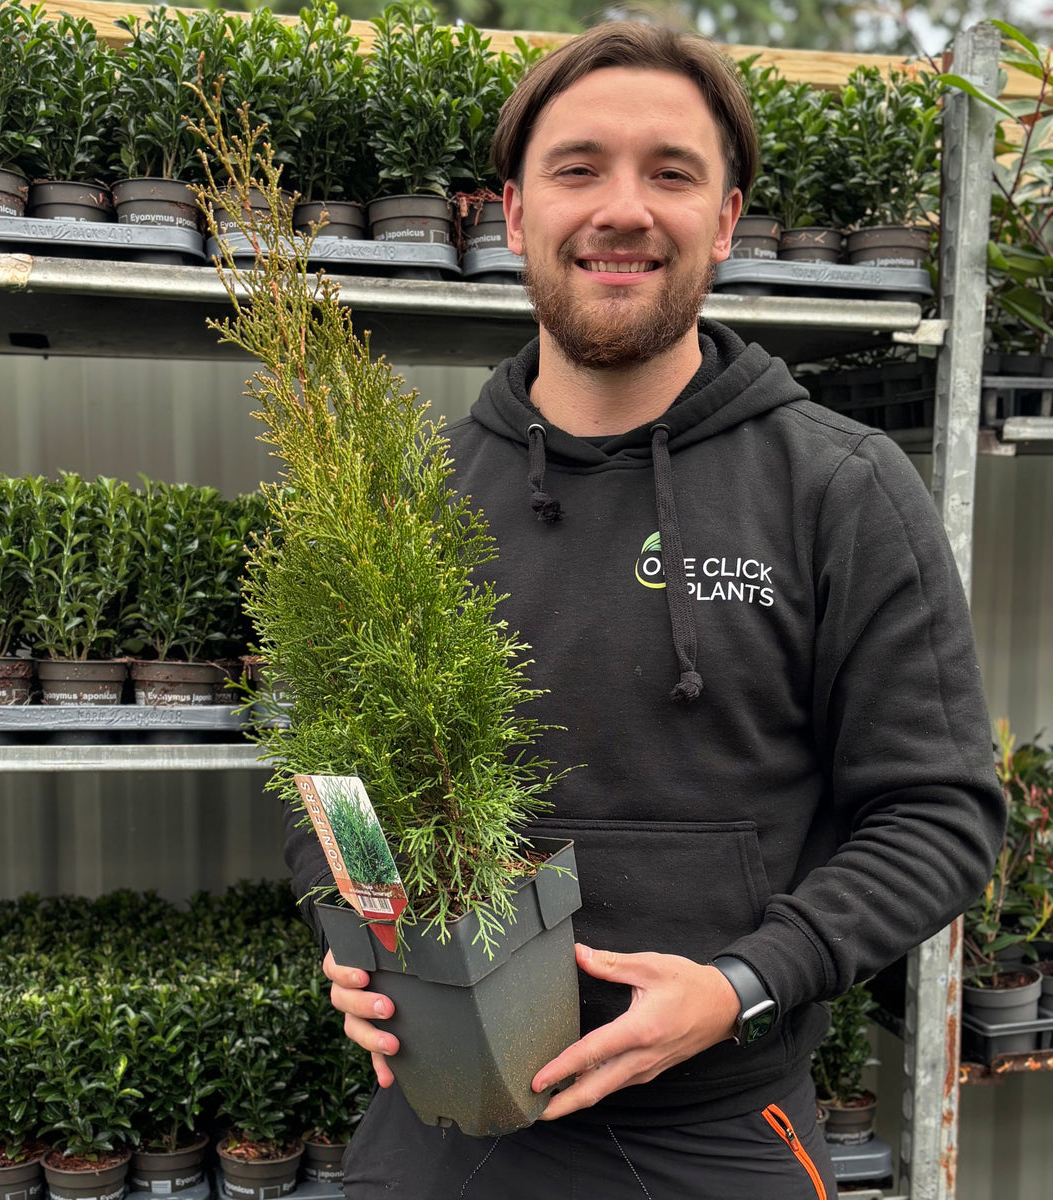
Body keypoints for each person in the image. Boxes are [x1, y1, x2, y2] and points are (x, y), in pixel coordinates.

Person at [284, 21, 1005, 1199]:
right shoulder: (406, 505)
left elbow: (939, 813)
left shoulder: (841, 487)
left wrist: (744, 983)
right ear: (512, 215)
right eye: (578, 168)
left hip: (717, 1131)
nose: (623, 208)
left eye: (671, 171)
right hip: (447, 1131)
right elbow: (332, 788)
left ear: (724, 221)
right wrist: (364, 942)